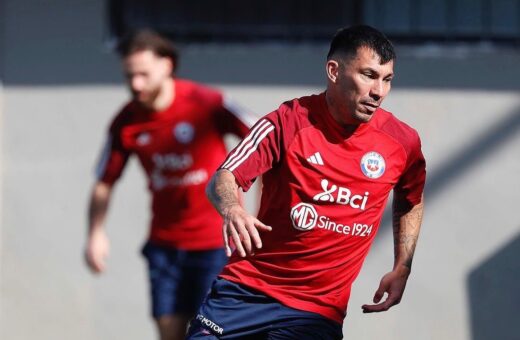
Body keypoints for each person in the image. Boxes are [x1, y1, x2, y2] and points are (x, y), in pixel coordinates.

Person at [187, 25, 426, 339]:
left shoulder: (401, 143)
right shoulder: (288, 121)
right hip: (245, 291)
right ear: (334, 71)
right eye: (368, 75)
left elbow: (411, 200)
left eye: (387, 79)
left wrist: (402, 266)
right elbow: (224, 177)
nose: (379, 91)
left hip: (315, 312)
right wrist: (232, 209)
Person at [84, 30, 256, 340]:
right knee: (169, 333)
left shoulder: (207, 102)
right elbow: (104, 183)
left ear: (167, 66)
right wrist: (96, 234)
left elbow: (265, 138)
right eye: (129, 76)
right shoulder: (126, 121)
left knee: (211, 333)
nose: (135, 84)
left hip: (216, 246)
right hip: (164, 249)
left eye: (143, 74)